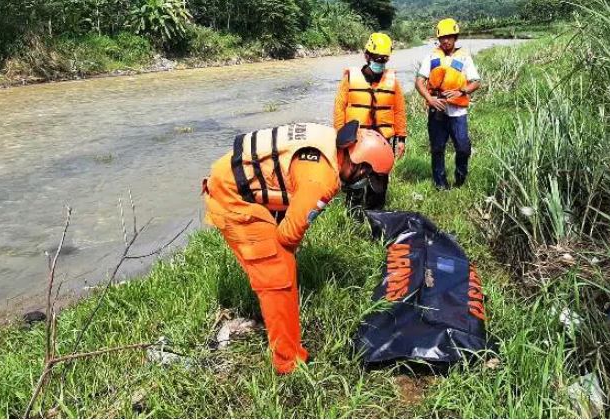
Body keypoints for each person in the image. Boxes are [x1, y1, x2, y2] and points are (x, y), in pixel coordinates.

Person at [202, 121, 394, 374]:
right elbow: (289, 236)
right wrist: (281, 246)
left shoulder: (331, 145)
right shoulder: (322, 179)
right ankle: (287, 363)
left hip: (241, 183)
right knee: (277, 272)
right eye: (366, 176)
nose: (362, 183)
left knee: (282, 262)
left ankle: (280, 329)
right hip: (232, 197)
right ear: (358, 163)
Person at [334, 32, 407, 213]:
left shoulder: (393, 82)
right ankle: (354, 213)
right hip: (357, 138)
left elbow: (398, 111)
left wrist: (401, 138)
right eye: (376, 58)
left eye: (383, 60)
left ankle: (376, 213)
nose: (379, 63)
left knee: (380, 177)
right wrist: (340, 137)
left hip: (382, 139)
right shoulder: (350, 79)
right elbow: (339, 108)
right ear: (367, 56)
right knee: (354, 177)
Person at [415, 18, 481, 190]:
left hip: (457, 111)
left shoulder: (465, 57)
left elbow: (475, 82)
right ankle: (440, 184)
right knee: (437, 148)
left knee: (463, 147)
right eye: (442, 37)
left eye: (449, 37)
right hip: (437, 109)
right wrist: (430, 99)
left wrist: (462, 91)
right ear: (438, 38)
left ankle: (460, 178)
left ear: (455, 37)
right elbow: (419, 82)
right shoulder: (431, 56)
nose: (446, 40)